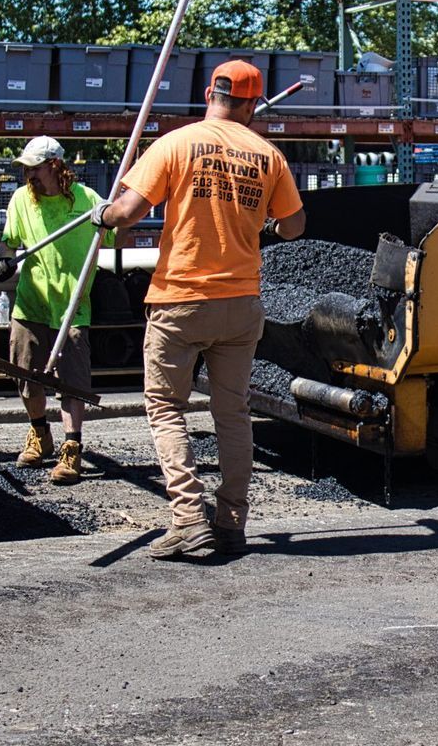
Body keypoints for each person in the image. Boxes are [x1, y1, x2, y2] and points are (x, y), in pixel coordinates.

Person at [92, 59, 305, 560]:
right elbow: (294, 227)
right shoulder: (267, 155)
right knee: (232, 412)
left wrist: (102, 212)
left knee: (167, 407)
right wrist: (266, 227)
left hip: (180, 300)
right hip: (240, 303)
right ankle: (230, 522)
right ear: (252, 103)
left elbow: (125, 214)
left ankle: (189, 519)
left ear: (210, 92)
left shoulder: (175, 143)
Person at [0, 135, 112, 485]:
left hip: (73, 306)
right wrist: (4, 263)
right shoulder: (20, 201)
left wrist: (112, 215)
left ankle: (71, 448)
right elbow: (8, 243)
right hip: (31, 304)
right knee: (24, 373)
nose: (29, 174)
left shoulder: (90, 202)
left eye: (35, 168)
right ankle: (39, 433)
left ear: (56, 167)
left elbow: (117, 231)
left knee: (73, 381)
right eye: (26, 168)